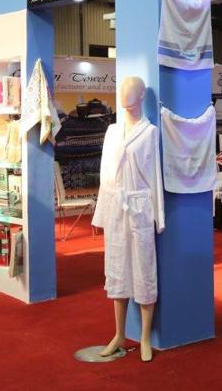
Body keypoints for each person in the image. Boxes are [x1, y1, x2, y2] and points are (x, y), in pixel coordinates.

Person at [92, 77, 165, 362]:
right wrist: (102, 213)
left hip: (139, 207)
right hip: (116, 208)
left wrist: (158, 216)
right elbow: (104, 173)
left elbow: (155, 176)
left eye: (131, 88)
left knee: (144, 270)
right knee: (117, 269)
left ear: (142, 94)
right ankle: (119, 334)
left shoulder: (150, 132)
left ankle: (145, 337)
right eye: (122, 87)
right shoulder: (112, 131)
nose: (125, 93)